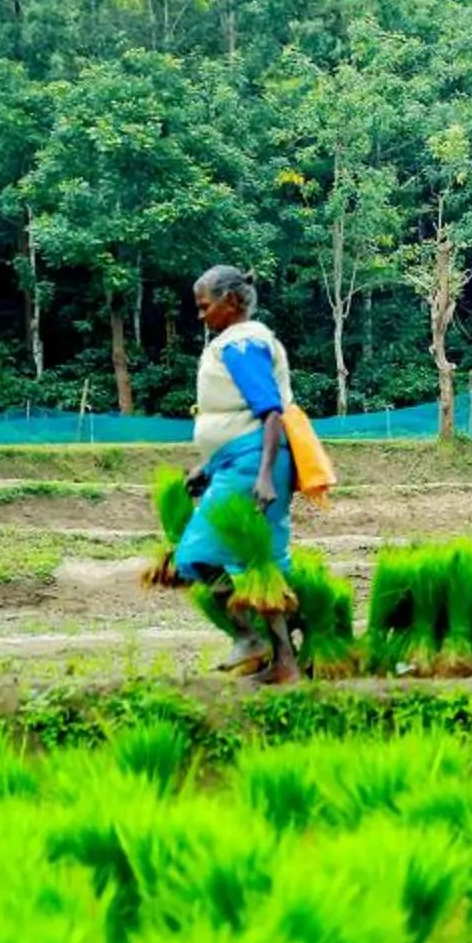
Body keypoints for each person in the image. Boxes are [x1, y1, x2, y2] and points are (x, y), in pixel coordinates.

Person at [168, 265, 301, 686]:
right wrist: (209, 465)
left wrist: (262, 475)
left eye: (205, 307)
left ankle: (249, 637)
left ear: (231, 302)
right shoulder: (238, 342)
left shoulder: (243, 343)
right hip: (240, 460)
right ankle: (286, 663)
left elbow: (270, 411)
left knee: (196, 555)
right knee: (259, 566)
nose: (201, 316)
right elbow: (243, 417)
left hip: (252, 463)